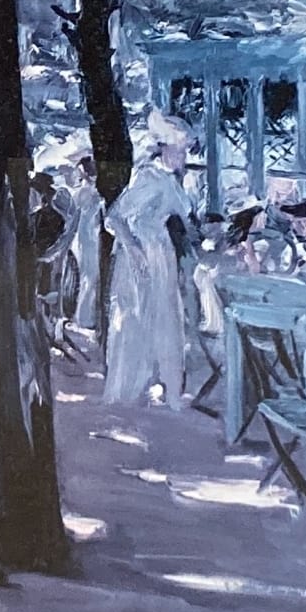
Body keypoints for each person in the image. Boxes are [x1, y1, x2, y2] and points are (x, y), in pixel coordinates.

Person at [103, 109, 193, 408]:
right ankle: (129, 390)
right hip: (140, 256)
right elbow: (114, 218)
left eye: (185, 150)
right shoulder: (148, 176)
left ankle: (163, 385)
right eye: (180, 150)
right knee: (136, 317)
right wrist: (134, 249)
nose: (184, 156)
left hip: (162, 254)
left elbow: (184, 216)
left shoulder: (171, 180)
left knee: (165, 317)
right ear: (165, 148)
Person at [69, 152, 105, 320]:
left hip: (90, 237)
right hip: (87, 239)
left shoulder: (88, 192)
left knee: (90, 277)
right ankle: (85, 318)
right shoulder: (85, 193)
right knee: (89, 277)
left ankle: (88, 317)